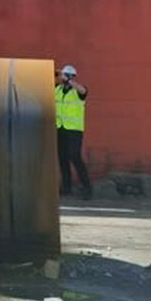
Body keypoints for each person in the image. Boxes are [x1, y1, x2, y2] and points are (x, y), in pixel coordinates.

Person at [55, 64, 92, 199]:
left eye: (69, 76)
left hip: (74, 130)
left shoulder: (77, 91)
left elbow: (83, 91)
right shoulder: (57, 90)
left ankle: (87, 187)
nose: (64, 78)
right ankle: (66, 187)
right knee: (62, 158)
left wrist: (68, 80)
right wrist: (57, 75)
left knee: (74, 156)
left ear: (73, 77)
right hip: (60, 128)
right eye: (64, 75)